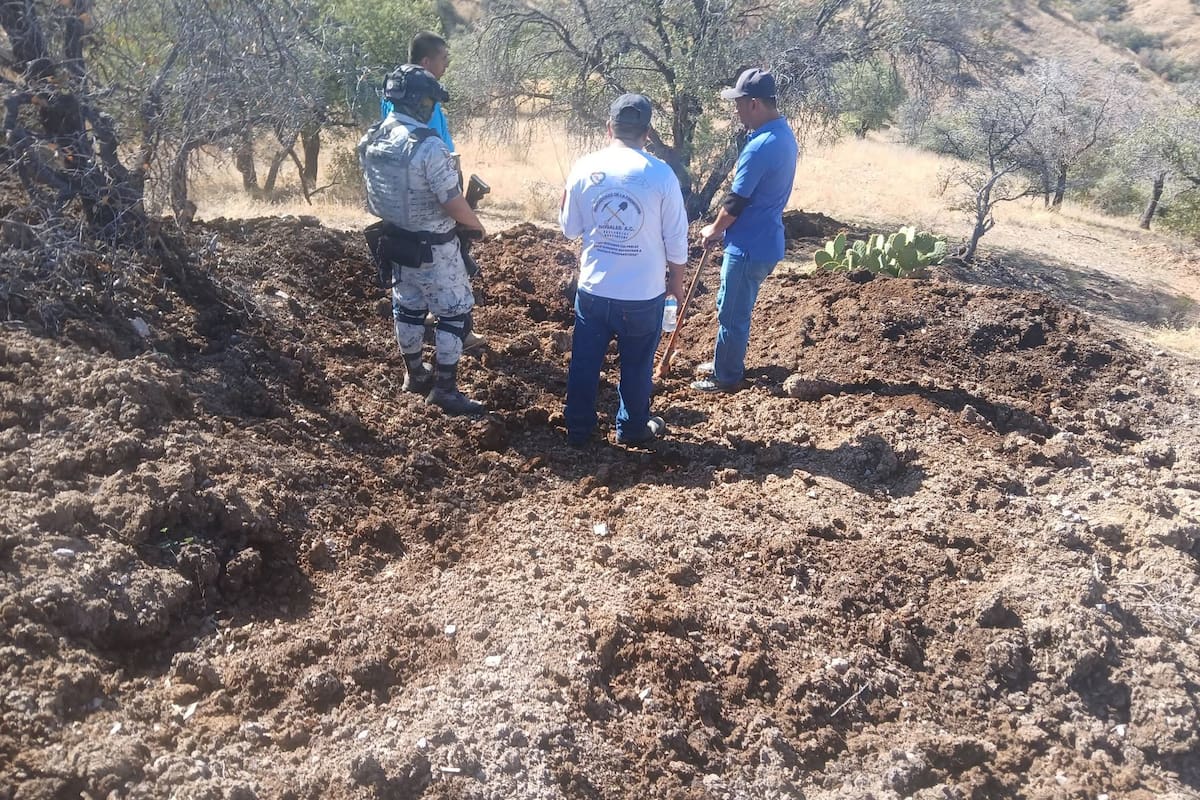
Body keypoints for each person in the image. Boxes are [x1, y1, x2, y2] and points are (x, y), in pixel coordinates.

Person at [559, 94, 689, 446]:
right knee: (636, 365)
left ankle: (579, 428)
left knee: (585, 362)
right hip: (643, 295)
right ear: (647, 133)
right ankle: (632, 429)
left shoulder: (584, 168)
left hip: (595, 289)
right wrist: (675, 282)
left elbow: (570, 228)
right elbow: (677, 236)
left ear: (608, 129)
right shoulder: (661, 174)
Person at [358, 65, 487, 415]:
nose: (432, 107)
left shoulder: (371, 138)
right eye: (430, 100)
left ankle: (415, 375)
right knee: (454, 313)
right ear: (418, 101)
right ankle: (445, 389)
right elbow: (451, 200)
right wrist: (475, 224)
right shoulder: (427, 145)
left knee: (409, 308)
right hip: (435, 244)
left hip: (395, 240)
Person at [693, 68, 798, 393]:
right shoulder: (783, 135)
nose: (736, 110)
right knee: (731, 305)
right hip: (763, 239)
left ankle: (726, 377)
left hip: (749, 246)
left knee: (733, 313)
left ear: (754, 104)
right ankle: (726, 361)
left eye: (738, 104)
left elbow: (736, 201)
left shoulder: (761, 145)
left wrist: (714, 229)